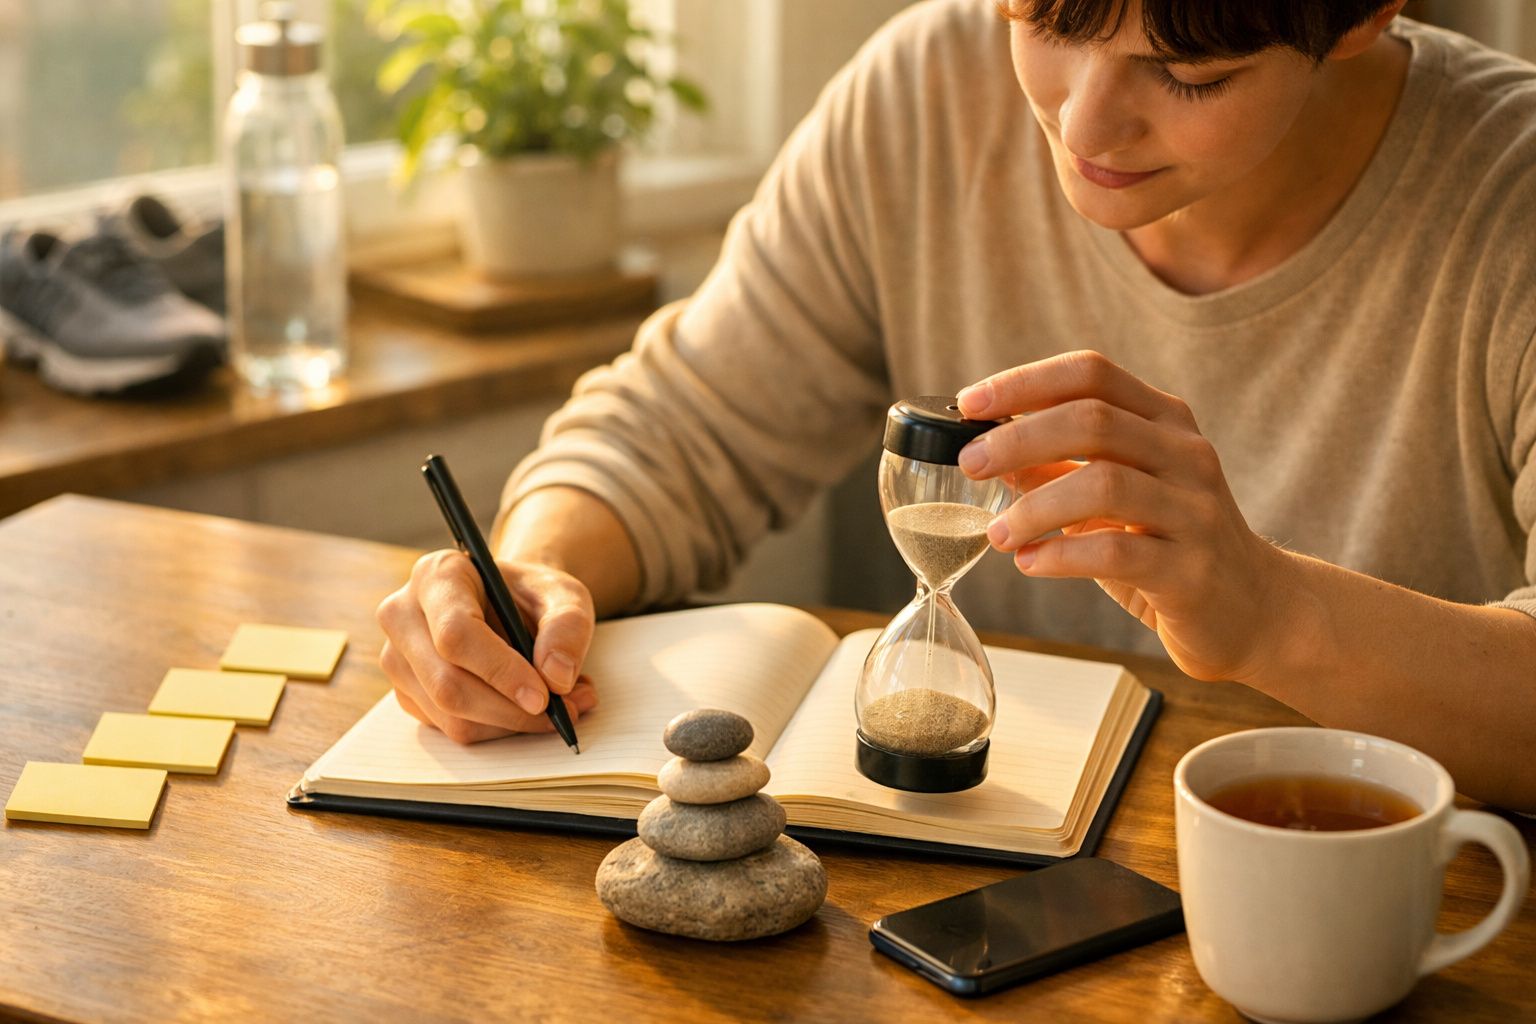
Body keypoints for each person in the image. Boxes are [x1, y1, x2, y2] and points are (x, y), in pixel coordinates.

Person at [376, 0, 1536, 811]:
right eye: (1046, 19)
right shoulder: (925, 91)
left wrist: (1274, 612)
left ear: (1364, 14)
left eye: (1190, 75)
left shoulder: (1509, 196)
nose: (1082, 125)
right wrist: (529, 579)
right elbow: (677, 427)